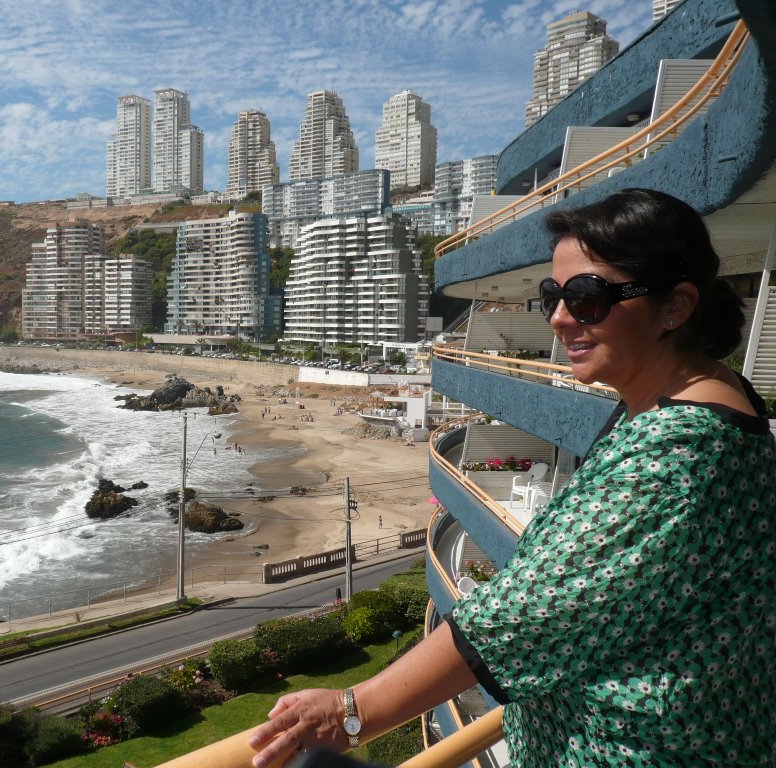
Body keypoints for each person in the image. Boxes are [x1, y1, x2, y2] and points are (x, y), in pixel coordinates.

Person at [249, 189, 776, 767]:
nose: (558, 317)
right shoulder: (684, 399)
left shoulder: (683, 451)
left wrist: (354, 711)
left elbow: (525, 618)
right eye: (552, 295)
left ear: (675, 307)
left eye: (587, 297)